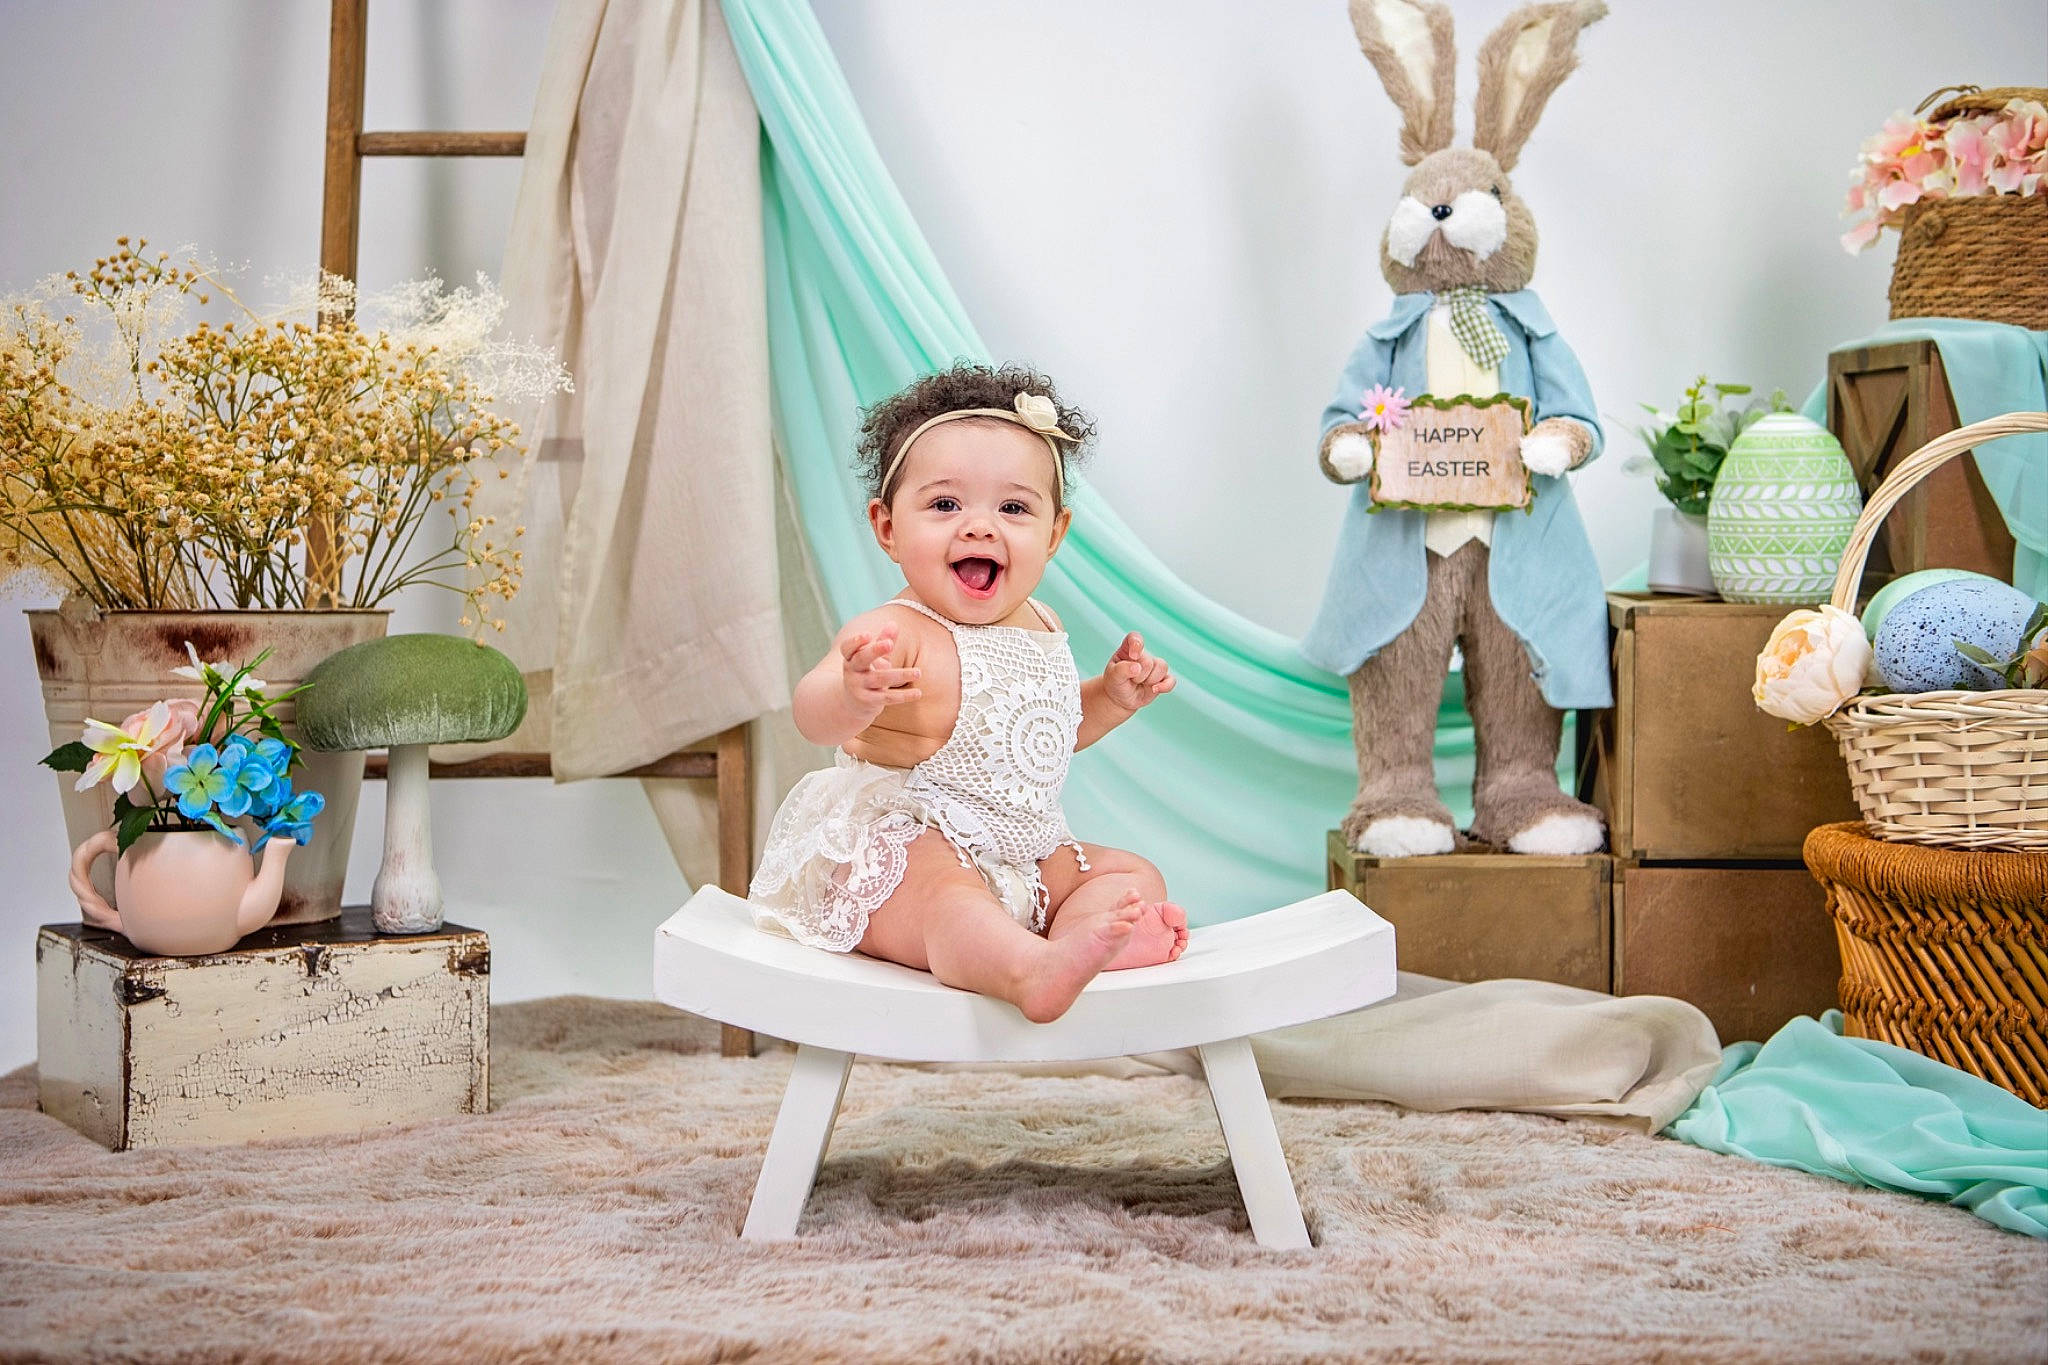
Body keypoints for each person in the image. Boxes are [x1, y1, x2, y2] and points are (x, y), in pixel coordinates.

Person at [749, 362, 1185, 1022]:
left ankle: (1072, 946)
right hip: (904, 854)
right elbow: (812, 711)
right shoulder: (897, 632)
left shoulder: (1044, 626)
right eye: (945, 504)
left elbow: (1040, 737)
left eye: (1012, 508)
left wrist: (1109, 697)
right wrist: (852, 691)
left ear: (1054, 533)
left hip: (1024, 854)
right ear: (888, 526)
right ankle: (1026, 967)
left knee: (1133, 876)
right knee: (946, 900)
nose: (980, 526)